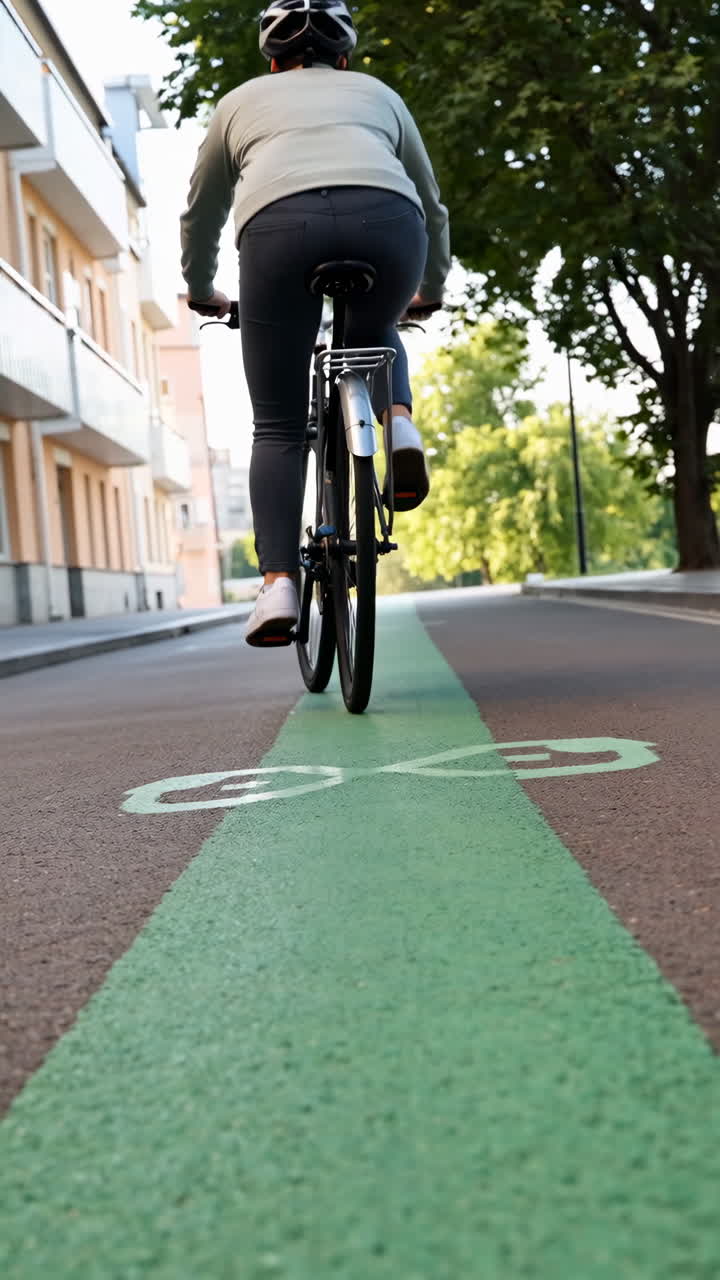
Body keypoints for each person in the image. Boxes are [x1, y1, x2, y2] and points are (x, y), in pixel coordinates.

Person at [181, 0, 451, 645]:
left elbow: (201, 211)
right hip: (390, 224)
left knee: (276, 425)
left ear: (272, 60)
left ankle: (278, 584)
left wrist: (200, 290)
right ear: (346, 57)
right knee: (376, 322)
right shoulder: (379, 94)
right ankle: (401, 426)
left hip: (278, 232)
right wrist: (431, 289)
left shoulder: (238, 103)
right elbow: (433, 203)